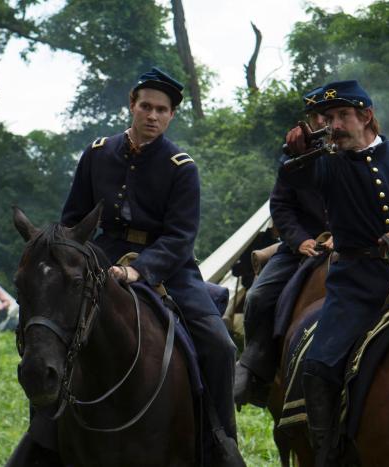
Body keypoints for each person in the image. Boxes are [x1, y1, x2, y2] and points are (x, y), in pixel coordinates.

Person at [16, 65, 239, 464]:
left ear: (172, 116)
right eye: (146, 107)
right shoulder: (98, 153)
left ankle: (220, 442)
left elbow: (180, 235)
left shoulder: (182, 168)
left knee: (219, 345)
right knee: (51, 333)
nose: (153, 116)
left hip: (168, 264)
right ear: (132, 106)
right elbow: (73, 218)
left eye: (162, 110)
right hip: (100, 254)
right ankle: (42, 439)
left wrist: (142, 269)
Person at [282, 80, 389, 466]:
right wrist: (297, 152)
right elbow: (294, 180)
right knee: (320, 363)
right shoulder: (324, 165)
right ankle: (328, 454)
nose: (335, 125)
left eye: (342, 115)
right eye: (325, 119)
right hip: (354, 287)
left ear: (366, 116)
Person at [234, 87, 331, 408]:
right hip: (302, 247)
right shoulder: (293, 157)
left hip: (358, 243)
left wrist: (343, 235)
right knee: (260, 296)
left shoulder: (363, 151)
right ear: (310, 120)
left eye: (332, 114)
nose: (325, 121)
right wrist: (300, 240)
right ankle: (258, 369)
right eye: (319, 115)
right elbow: (282, 206)